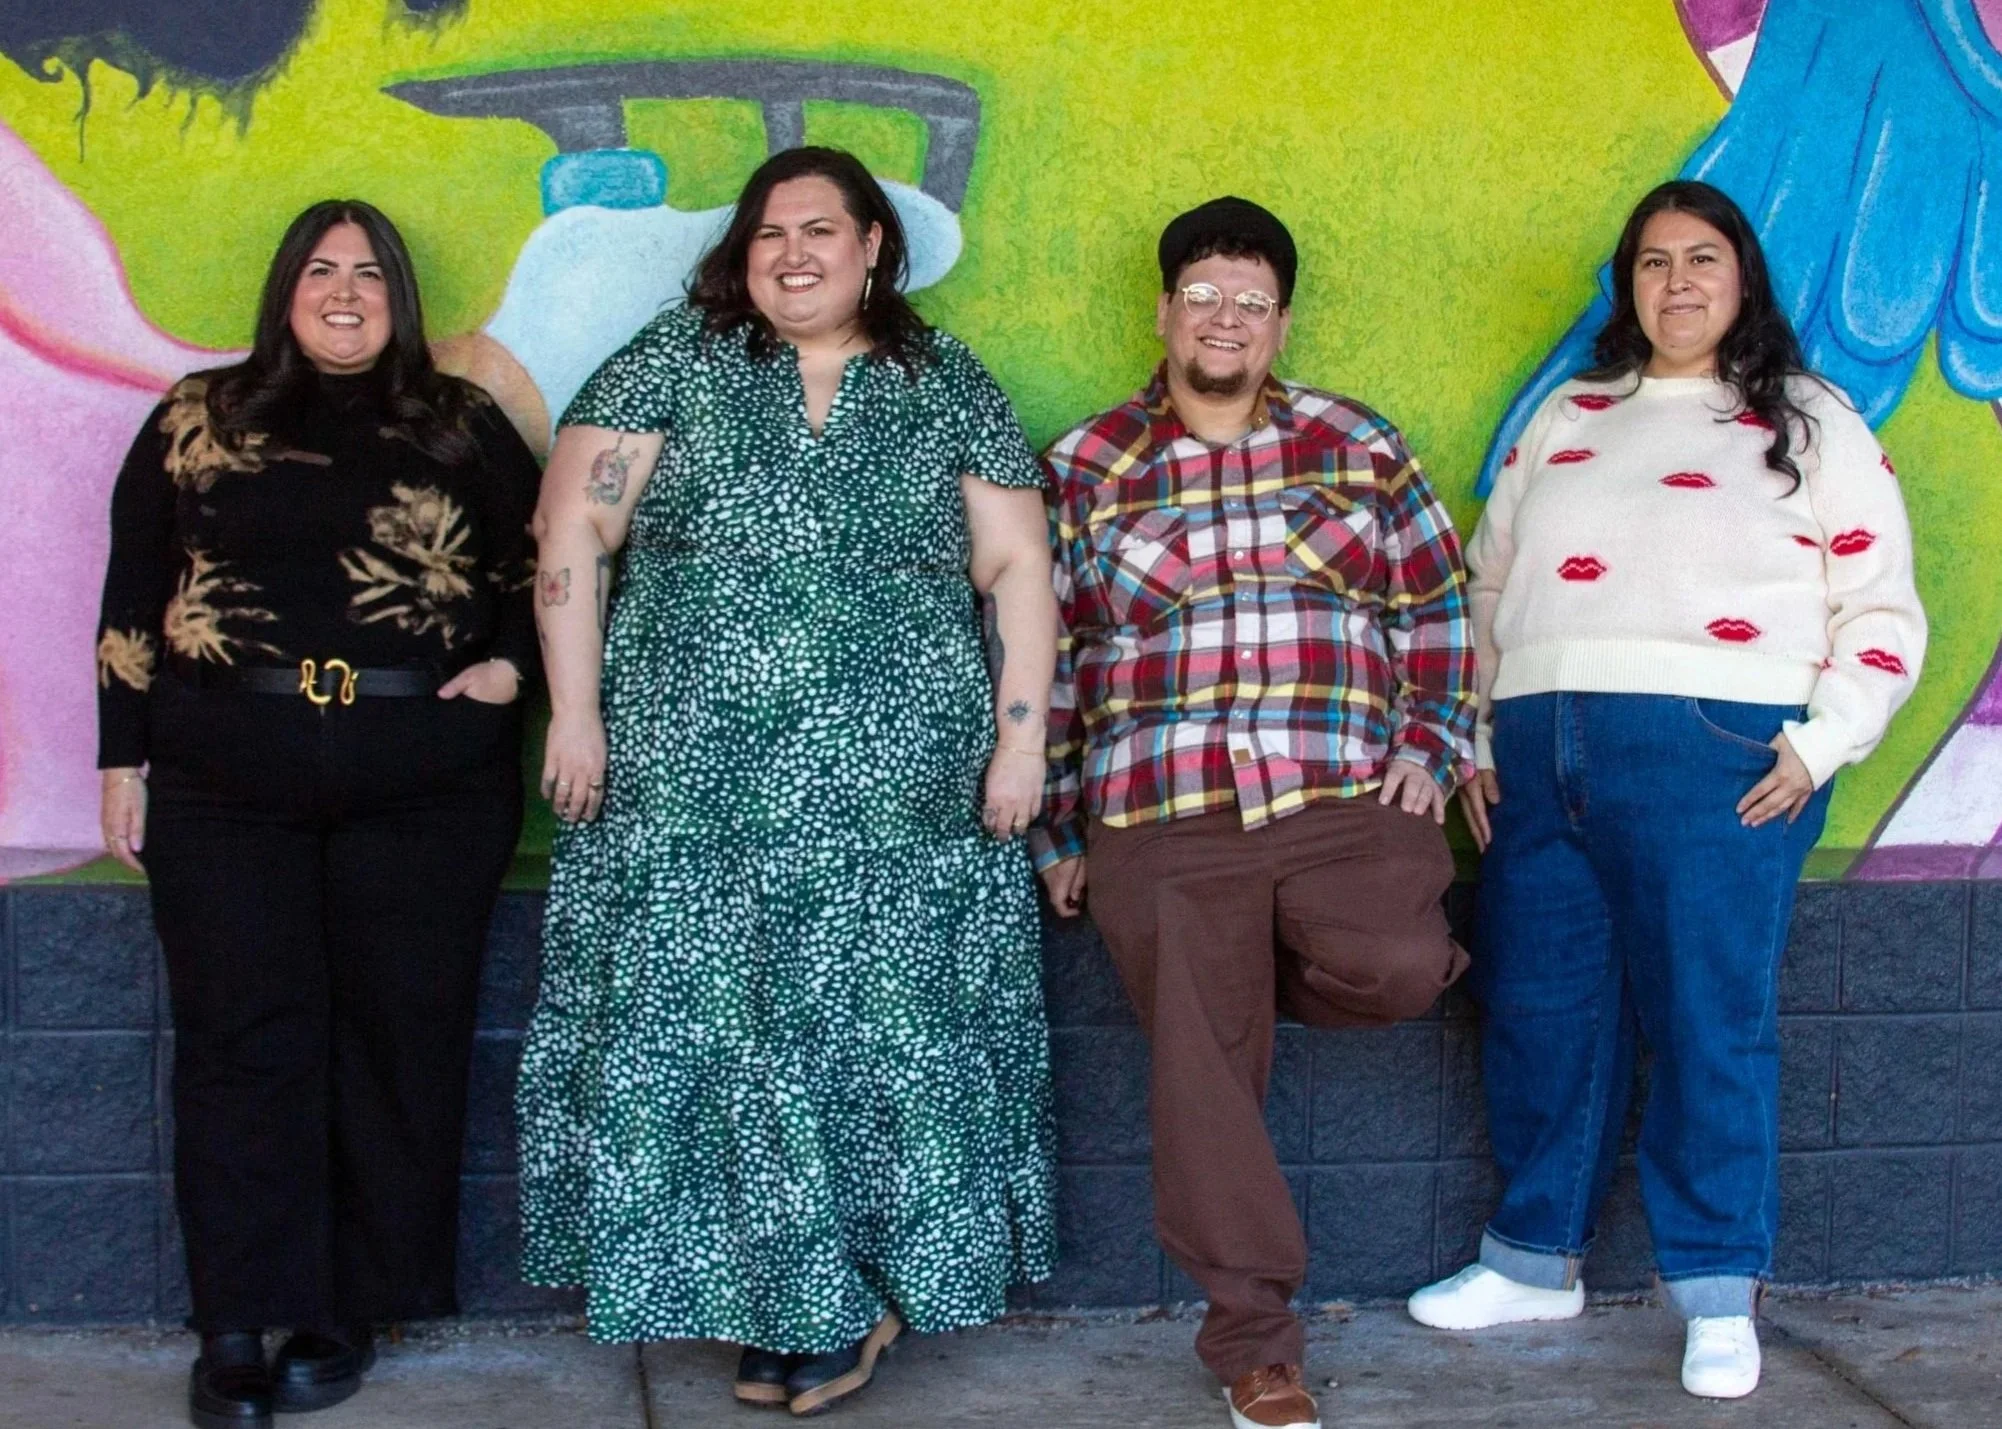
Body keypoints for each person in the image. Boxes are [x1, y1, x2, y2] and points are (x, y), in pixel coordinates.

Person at [514, 146, 1058, 1415]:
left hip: (898, 806)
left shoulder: (944, 386)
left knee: (876, 1041)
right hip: (691, 796)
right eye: (768, 234)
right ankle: (784, 1295)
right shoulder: (672, 361)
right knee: (714, 1038)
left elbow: (1018, 568)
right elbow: (571, 531)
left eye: (821, 229)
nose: (793, 253)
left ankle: (854, 1293)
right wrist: (577, 712)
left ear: (876, 246)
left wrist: (1020, 742)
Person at [1406, 180, 1927, 1399]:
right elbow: (1486, 591)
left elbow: (1882, 605)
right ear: (1625, 283)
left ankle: (1713, 1288)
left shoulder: (1808, 419)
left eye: (1702, 259)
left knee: (1707, 1019)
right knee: (1541, 1008)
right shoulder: (1569, 415)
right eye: (1651, 261)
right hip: (1541, 753)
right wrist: (1477, 737)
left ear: (1741, 279)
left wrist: (1820, 740)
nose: (1676, 282)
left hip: (1720, 755)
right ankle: (1535, 1260)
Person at [94, 199, 541, 1429]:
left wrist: (509, 666)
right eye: (321, 270)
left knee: (398, 1035)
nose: (344, 292)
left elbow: (541, 561)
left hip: (428, 782)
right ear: (286, 288)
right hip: (224, 779)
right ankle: (237, 1319)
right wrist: (119, 756)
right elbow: (137, 580)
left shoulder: (458, 424)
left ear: (397, 296)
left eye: (369, 275)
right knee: (245, 1040)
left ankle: (350, 1305)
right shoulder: (197, 415)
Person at [1032, 196, 1477, 1429]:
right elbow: (1047, 659)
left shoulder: (1359, 444)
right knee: (1203, 1068)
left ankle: (1222, 984)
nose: (1224, 317)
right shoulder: (1083, 465)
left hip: (1340, 793)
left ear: (1279, 323)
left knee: (1396, 964)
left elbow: (1434, 610)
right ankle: (1256, 1347)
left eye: (1251, 300)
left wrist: (1434, 746)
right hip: (1159, 806)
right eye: (1202, 294)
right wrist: (1058, 828)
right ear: (1164, 310)